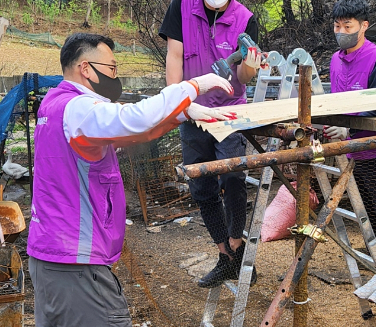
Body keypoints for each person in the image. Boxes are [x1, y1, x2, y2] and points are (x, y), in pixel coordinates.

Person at [27, 33, 236, 326]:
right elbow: (133, 118)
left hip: (53, 256)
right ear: (86, 68)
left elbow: (133, 132)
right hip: (76, 263)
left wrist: (181, 113)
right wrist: (192, 87)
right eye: (111, 68)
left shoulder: (54, 105)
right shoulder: (77, 108)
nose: (115, 76)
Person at [159, 0, 265, 288]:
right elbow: (175, 57)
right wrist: (179, 103)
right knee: (202, 185)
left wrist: (249, 62)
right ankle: (225, 255)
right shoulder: (181, 6)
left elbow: (245, 78)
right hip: (191, 110)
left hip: (228, 111)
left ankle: (236, 245)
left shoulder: (245, 18)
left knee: (233, 178)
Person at [324, 0, 376, 301]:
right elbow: (337, 103)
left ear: (364, 26)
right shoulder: (335, 60)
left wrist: (350, 127)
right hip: (352, 151)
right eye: (337, 25)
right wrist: (332, 125)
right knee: (368, 218)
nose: (341, 30)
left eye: (347, 25)